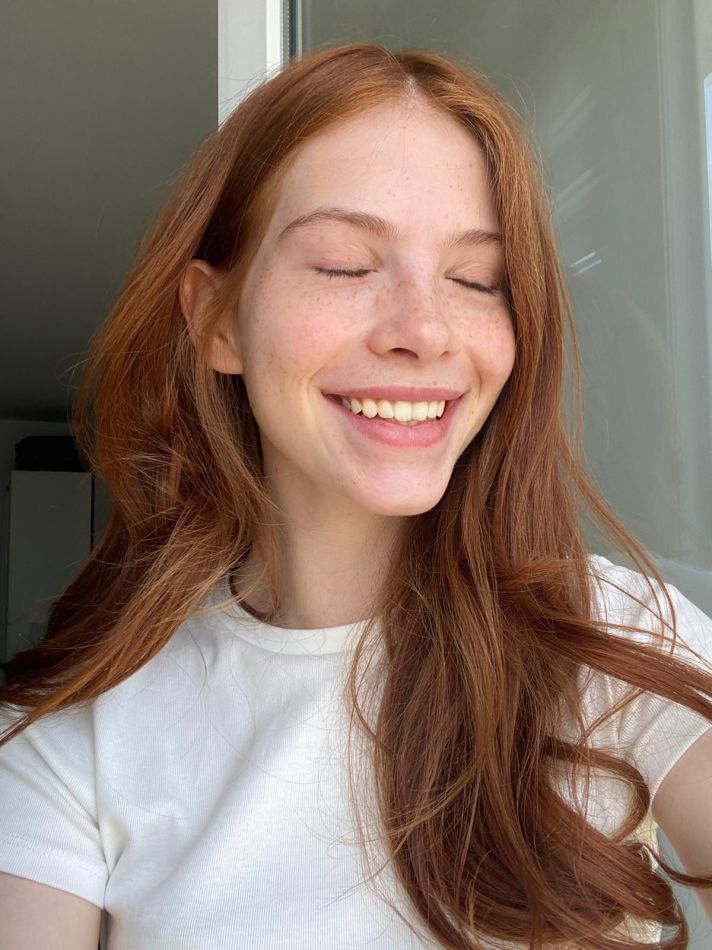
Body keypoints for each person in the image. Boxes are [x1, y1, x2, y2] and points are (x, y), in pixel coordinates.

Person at [0, 41, 711, 950]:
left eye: (477, 280)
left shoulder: (621, 642)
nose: (425, 329)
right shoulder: (78, 731)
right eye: (343, 265)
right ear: (215, 318)